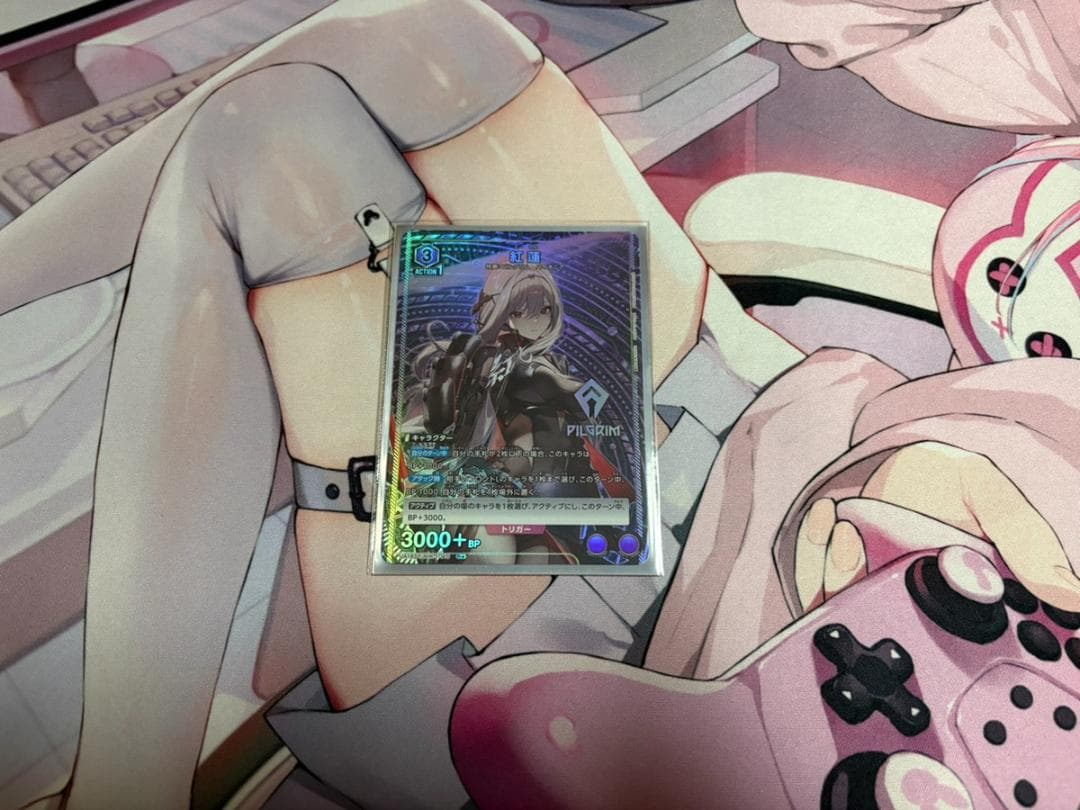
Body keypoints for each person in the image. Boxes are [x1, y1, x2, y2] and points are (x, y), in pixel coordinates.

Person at [3, 1, 801, 807]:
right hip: (755, 438)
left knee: (259, 141)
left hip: (612, 654)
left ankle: (121, 787)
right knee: (423, 30)